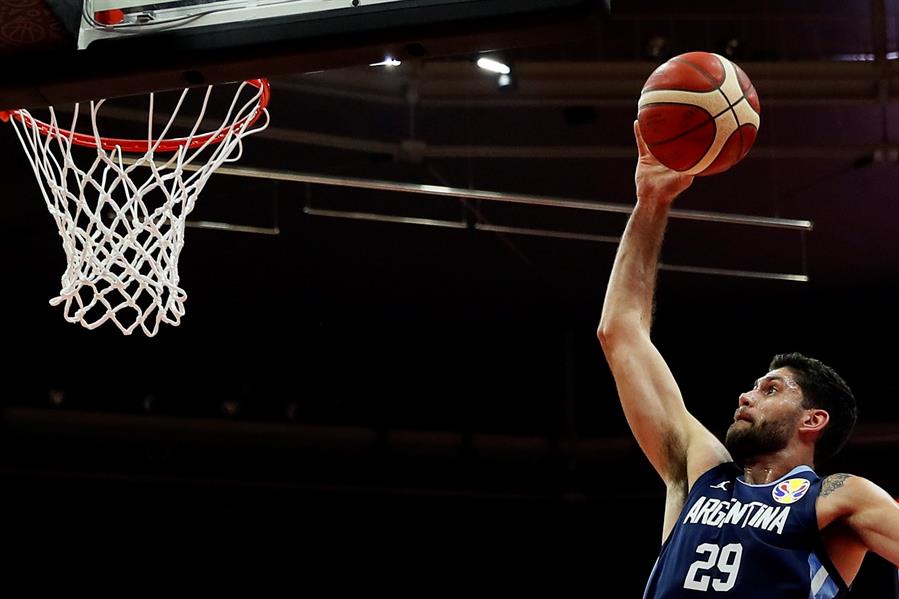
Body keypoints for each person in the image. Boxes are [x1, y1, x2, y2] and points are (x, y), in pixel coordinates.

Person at [597, 121, 899, 598]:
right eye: (755, 385)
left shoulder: (839, 496)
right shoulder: (699, 470)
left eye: (771, 388)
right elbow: (620, 332)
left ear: (813, 419)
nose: (746, 395)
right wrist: (651, 200)